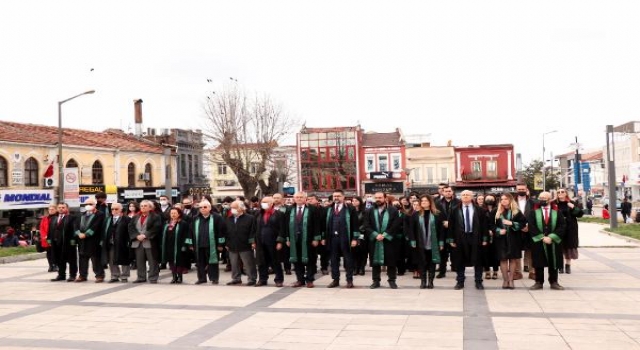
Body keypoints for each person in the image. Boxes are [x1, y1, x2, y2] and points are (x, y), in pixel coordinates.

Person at [449, 190, 489, 290]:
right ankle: (460, 281)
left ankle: (479, 281)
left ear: (472, 197)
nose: (465, 196)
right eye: (463, 195)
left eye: (468, 195)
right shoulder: (454, 210)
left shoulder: (480, 210)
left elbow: (484, 226)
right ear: (460, 197)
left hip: (476, 237)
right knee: (459, 260)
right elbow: (451, 226)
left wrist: (485, 238)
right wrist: (451, 239)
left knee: (478, 260)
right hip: (460, 238)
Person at [281, 192, 321, 288]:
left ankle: (310, 280)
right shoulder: (289, 209)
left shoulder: (312, 209)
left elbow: (317, 225)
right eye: (297, 197)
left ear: (305, 198)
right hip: (294, 239)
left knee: (311, 260)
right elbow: (285, 225)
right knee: (297, 260)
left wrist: (316, 238)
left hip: (309, 239)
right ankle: (300, 280)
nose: (299, 199)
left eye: (301, 197)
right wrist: (287, 238)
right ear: (294, 199)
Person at [528, 191, 567, 290]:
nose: (541, 200)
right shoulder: (533, 212)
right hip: (539, 241)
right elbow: (531, 226)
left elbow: (562, 226)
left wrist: (551, 237)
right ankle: (538, 282)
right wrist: (542, 237)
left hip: (553, 241)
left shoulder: (557, 212)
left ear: (549, 200)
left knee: (554, 262)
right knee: (538, 261)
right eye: (540, 198)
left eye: (543, 198)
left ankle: (554, 282)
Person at [363, 192, 402, 289]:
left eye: (380, 197)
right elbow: (366, 225)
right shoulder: (369, 210)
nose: (378, 199)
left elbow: (395, 225)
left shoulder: (393, 210)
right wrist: (376, 235)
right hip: (375, 239)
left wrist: (384, 235)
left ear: (385, 198)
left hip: (389, 239)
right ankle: (376, 281)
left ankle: (392, 280)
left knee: (391, 261)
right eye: (376, 198)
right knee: (375, 261)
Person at [324, 190, 359, 289]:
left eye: (338, 196)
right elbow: (324, 224)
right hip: (332, 238)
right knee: (334, 260)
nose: (336, 198)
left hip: (346, 238)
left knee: (348, 260)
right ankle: (335, 280)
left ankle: (349, 280)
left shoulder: (350, 209)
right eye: (334, 196)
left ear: (343, 197)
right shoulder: (329, 209)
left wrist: (355, 238)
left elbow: (356, 225)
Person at [491, 193, 527, 289]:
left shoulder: (516, 212)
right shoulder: (496, 211)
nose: (503, 201)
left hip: (514, 239)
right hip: (501, 239)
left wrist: (512, 223)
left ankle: (511, 280)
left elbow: (523, 224)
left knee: (513, 259)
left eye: (506, 199)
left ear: (510, 200)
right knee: (503, 259)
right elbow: (491, 225)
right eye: (502, 199)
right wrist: (498, 230)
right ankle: (505, 280)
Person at [409, 194, 444, 289]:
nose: (424, 202)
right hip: (420, 243)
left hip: (433, 242)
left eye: (426, 201)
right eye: (422, 201)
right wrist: (412, 241)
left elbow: (441, 230)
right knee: (422, 262)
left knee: (432, 262)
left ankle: (431, 282)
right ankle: (423, 282)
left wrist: (441, 242)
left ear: (430, 202)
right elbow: (411, 229)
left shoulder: (437, 214)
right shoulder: (415, 215)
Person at [192, 200, 227, 285]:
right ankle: (201, 278)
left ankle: (214, 278)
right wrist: (191, 244)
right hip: (199, 244)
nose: (203, 209)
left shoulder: (217, 218)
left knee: (213, 262)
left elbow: (221, 231)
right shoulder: (196, 218)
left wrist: (220, 244)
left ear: (210, 208)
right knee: (200, 263)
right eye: (201, 207)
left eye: (205, 207)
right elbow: (191, 231)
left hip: (212, 245)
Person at [128, 200, 162, 284]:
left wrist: (145, 235)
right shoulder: (135, 216)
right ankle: (141, 277)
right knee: (139, 261)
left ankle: (153, 278)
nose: (143, 207)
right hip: (137, 242)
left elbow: (156, 228)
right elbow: (131, 227)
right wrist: (136, 236)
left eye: (145, 206)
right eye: (142, 206)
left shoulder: (155, 216)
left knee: (153, 261)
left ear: (150, 207)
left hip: (150, 241)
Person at [225, 200, 257, 286]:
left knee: (248, 263)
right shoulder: (229, 219)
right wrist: (227, 243)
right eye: (231, 207)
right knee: (234, 263)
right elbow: (226, 232)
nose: (232, 209)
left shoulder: (250, 218)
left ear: (241, 208)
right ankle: (236, 278)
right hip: (232, 245)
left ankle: (251, 279)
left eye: (234, 207)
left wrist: (252, 242)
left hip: (245, 244)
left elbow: (253, 231)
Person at [255, 196, 285, 287]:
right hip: (261, 241)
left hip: (273, 241)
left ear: (271, 204)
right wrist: (254, 241)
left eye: (266, 202)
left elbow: (282, 229)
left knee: (275, 261)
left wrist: (280, 241)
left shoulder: (279, 214)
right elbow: (254, 228)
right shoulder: (259, 214)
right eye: (262, 202)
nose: (263, 204)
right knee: (261, 261)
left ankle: (279, 279)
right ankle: (262, 279)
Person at [75, 198, 106, 282]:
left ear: (95, 205)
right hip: (82, 241)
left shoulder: (100, 214)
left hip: (93, 240)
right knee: (82, 259)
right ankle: (82, 275)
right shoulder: (81, 214)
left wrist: (86, 234)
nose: (88, 205)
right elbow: (76, 226)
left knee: (95, 259)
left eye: (90, 204)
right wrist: (79, 233)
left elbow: (96, 226)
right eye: (86, 204)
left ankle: (99, 275)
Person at [554, 188, 583, 274]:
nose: (560, 193)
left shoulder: (572, 202)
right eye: (558, 192)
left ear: (566, 193)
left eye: (562, 192)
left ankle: (568, 266)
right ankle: (560, 267)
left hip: (570, 228)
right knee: (559, 247)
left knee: (569, 247)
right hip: (558, 228)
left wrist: (573, 207)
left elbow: (580, 214)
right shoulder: (554, 203)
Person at [103, 203, 131, 283]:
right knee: (111, 260)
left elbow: (130, 231)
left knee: (124, 260)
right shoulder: (108, 219)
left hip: (123, 243)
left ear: (121, 210)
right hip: (111, 243)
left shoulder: (127, 219)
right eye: (112, 209)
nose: (114, 211)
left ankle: (125, 276)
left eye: (116, 209)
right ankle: (114, 275)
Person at [49, 203, 78, 282]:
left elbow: (75, 229)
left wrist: (73, 240)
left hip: (68, 242)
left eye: (63, 207)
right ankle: (61, 275)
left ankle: (72, 275)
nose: (61, 209)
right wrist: (49, 239)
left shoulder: (72, 218)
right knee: (59, 259)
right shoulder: (54, 218)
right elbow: (50, 230)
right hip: (56, 242)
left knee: (71, 260)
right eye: (59, 207)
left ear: (67, 208)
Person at [436, 185, 460, 278]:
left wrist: (450, 223)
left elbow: (460, 216)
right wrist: (443, 222)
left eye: (449, 191)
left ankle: (458, 270)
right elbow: (436, 215)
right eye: (446, 191)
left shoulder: (458, 202)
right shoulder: (438, 203)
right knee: (442, 252)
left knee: (456, 252)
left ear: (452, 192)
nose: (448, 193)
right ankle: (442, 271)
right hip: (442, 230)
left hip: (455, 231)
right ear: (443, 192)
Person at [162, 208, 191, 284]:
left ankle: (180, 277)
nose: (173, 215)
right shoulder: (168, 223)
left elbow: (187, 235)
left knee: (179, 262)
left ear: (179, 214)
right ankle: (174, 277)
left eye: (175, 213)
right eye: (172, 213)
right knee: (171, 262)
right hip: (170, 246)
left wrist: (185, 245)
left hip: (180, 246)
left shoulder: (183, 223)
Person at [515, 183, 536, 280]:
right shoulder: (512, 202)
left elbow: (536, 215)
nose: (521, 190)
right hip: (516, 230)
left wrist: (528, 225)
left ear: (526, 189)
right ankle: (517, 272)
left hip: (529, 230)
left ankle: (532, 272)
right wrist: (520, 226)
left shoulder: (533, 202)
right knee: (516, 251)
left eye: (523, 189)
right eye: (519, 189)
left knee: (531, 251)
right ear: (516, 190)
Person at [481, 195, 499, 280]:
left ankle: (495, 271)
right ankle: (487, 271)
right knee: (485, 253)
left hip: (496, 234)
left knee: (495, 253)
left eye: (491, 199)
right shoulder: (482, 210)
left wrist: (494, 230)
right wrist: (487, 230)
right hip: (485, 234)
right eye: (488, 199)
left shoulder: (498, 209)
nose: (489, 200)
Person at [351, 197, 368, 276]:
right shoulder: (350, 211)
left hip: (362, 234)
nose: (354, 202)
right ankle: (355, 268)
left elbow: (366, 223)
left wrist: (358, 230)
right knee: (354, 251)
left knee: (362, 251)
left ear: (360, 202)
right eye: (353, 201)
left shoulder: (365, 211)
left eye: (356, 201)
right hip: (353, 234)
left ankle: (362, 268)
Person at [39, 204, 58, 272]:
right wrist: (44, 236)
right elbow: (41, 228)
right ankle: (50, 265)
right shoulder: (45, 218)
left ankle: (55, 265)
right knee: (49, 252)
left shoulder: (58, 217)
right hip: (46, 239)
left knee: (55, 252)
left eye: (52, 209)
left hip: (55, 238)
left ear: (56, 210)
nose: (51, 211)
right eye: (49, 209)